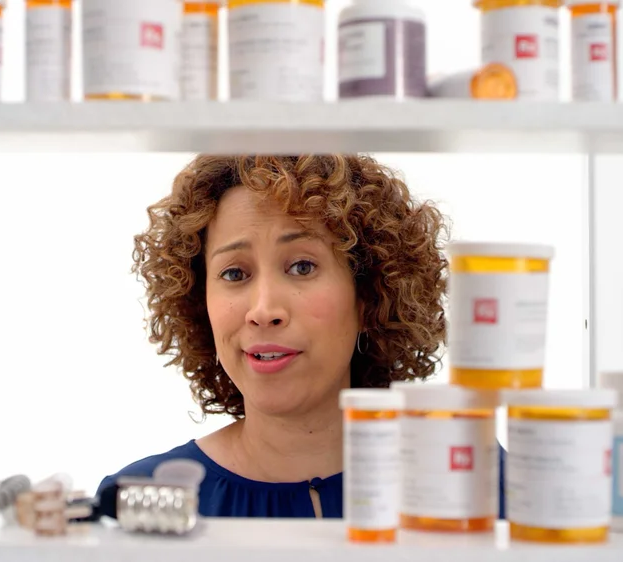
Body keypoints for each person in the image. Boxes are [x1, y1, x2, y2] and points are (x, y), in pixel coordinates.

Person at [97, 154, 448, 518]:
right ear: (200, 304)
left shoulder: (468, 482)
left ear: (367, 296)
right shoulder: (135, 503)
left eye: (302, 266)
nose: (263, 311)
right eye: (234, 274)